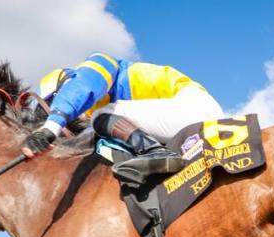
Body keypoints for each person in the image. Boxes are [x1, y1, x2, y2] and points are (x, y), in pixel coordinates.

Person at [21, 52, 224, 181]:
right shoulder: (117, 111)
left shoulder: (97, 64)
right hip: (180, 121)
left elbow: (82, 87)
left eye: (52, 103)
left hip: (194, 109)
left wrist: (51, 125)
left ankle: (156, 154)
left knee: (102, 116)